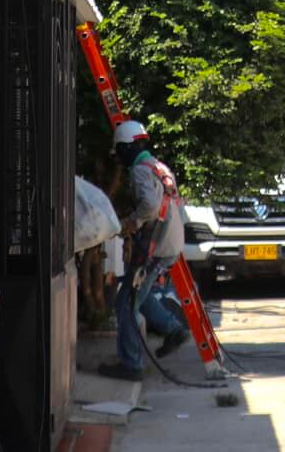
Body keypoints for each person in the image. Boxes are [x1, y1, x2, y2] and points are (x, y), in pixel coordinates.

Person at [97, 120, 190, 382]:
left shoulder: (140, 169)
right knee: (138, 292)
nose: (120, 158)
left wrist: (131, 222)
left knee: (126, 302)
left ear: (127, 147)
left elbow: (149, 206)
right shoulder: (159, 166)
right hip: (170, 242)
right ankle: (172, 330)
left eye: (121, 151)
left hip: (155, 246)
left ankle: (131, 364)